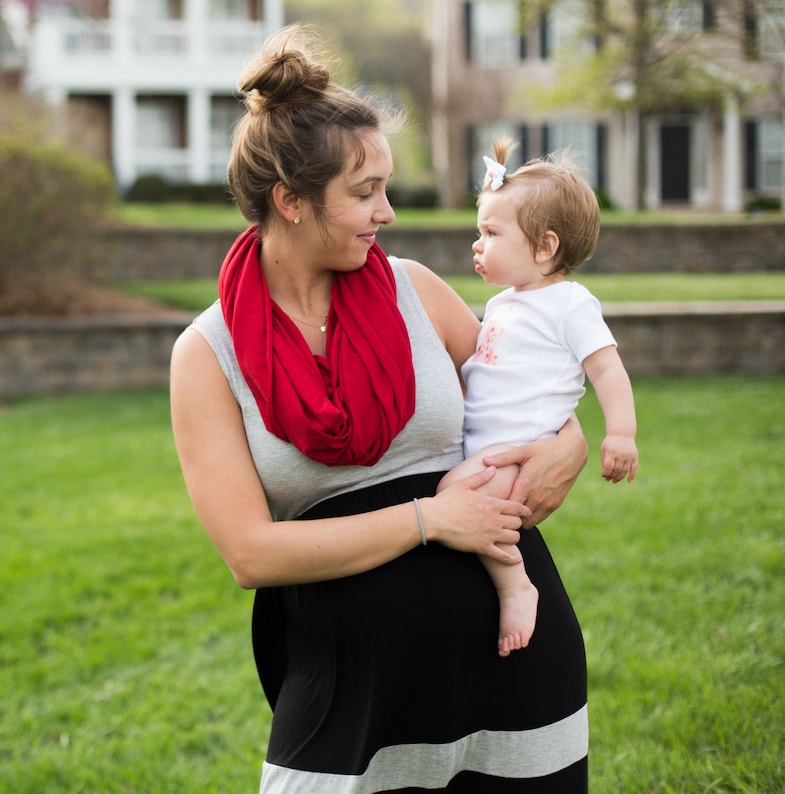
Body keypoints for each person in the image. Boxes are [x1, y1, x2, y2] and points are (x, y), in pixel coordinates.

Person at [170, 24, 591, 793]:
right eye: (365, 193)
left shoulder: (416, 292)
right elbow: (249, 554)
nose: (387, 212)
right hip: (349, 690)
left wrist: (571, 444)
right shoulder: (207, 355)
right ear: (290, 202)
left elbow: (532, 396)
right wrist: (432, 520)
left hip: (519, 662)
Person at [438, 140, 639, 659]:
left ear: (545, 247)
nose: (477, 245)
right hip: (483, 442)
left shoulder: (571, 304)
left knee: (453, 497)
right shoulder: (504, 302)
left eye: (490, 233)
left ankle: (515, 585)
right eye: (477, 232)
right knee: (459, 500)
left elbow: (608, 371)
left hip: (514, 450)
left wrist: (621, 434)